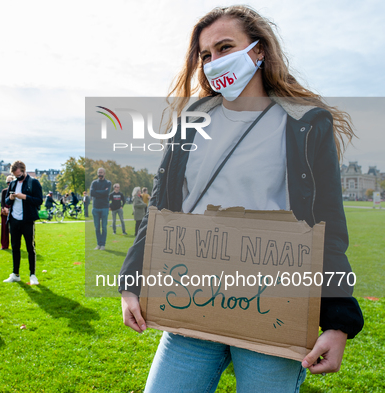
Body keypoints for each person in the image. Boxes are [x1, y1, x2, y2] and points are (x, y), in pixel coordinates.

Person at [119, 6, 364, 392]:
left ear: (258, 50)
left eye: (225, 47)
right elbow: (159, 209)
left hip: (274, 306)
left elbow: (327, 225)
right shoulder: (190, 122)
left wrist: (338, 320)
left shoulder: (304, 122)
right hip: (192, 296)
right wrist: (130, 282)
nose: (215, 61)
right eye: (205, 55)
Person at [3, 160, 43, 285]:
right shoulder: (13, 183)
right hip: (14, 219)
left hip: (27, 220)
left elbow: (39, 201)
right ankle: (15, 274)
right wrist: (10, 198)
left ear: (24, 171)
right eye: (15, 175)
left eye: (19, 175)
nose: (17, 177)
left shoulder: (33, 182)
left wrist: (24, 196)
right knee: (15, 247)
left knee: (30, 247)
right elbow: (6, 201)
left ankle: (32, 275)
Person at [90, 167, 111, 250]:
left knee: (104, 227)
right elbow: (92, 193)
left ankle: (103, 245)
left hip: (104, 207)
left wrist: (97, 192)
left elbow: (107, 193)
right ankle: (98, 244)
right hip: (95, 208)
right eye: (99, 172)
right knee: (97, 228)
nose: (100, 173)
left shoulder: (108, 183)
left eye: (101, 172)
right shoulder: (94, 183)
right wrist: (102, 192)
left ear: (104, 174)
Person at [0, 175, 15, 250]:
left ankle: (14, 245)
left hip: (13, 211)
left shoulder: (15, 192)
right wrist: (4, 208)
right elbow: (2, 202)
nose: (8, 184)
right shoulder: (4, 191)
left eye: (10, 182)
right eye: (7, 182)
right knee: (4, 229)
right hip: (5, 212)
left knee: (14, 230)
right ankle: (4, 245)